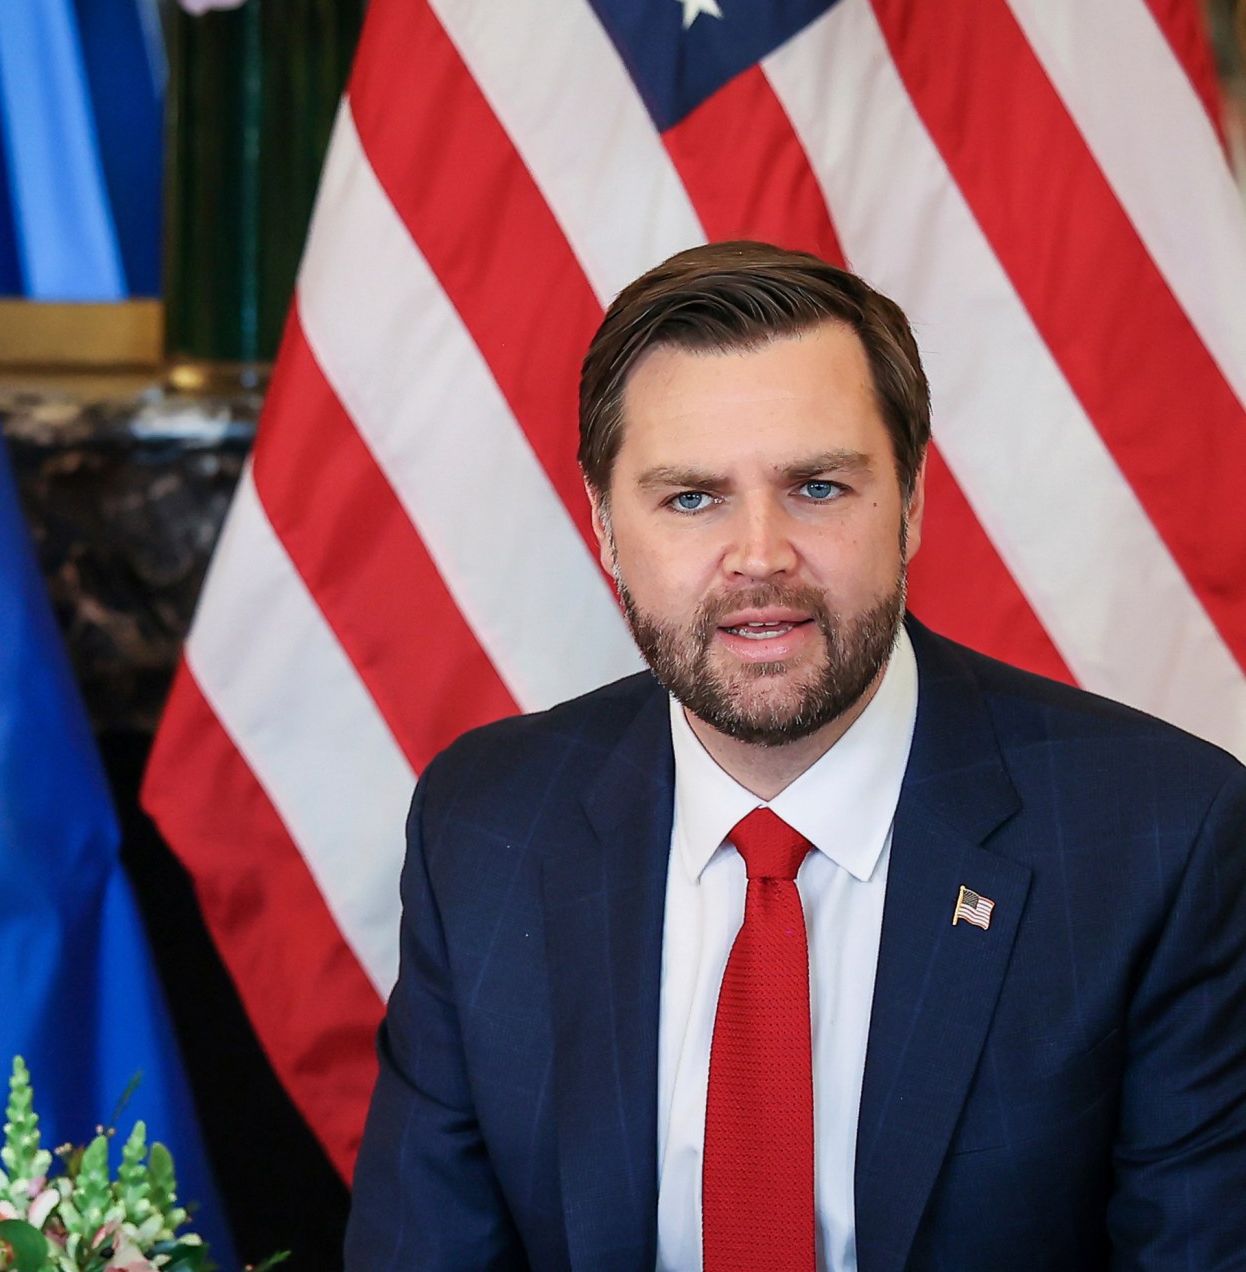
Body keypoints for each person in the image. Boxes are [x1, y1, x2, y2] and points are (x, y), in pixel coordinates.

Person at [344, 243, 1246, 1271]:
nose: (760, 555)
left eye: (817, 487)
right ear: (602, 526)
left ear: (908, 503)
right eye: (691, 498)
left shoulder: (1162, 835)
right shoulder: (486, 825)